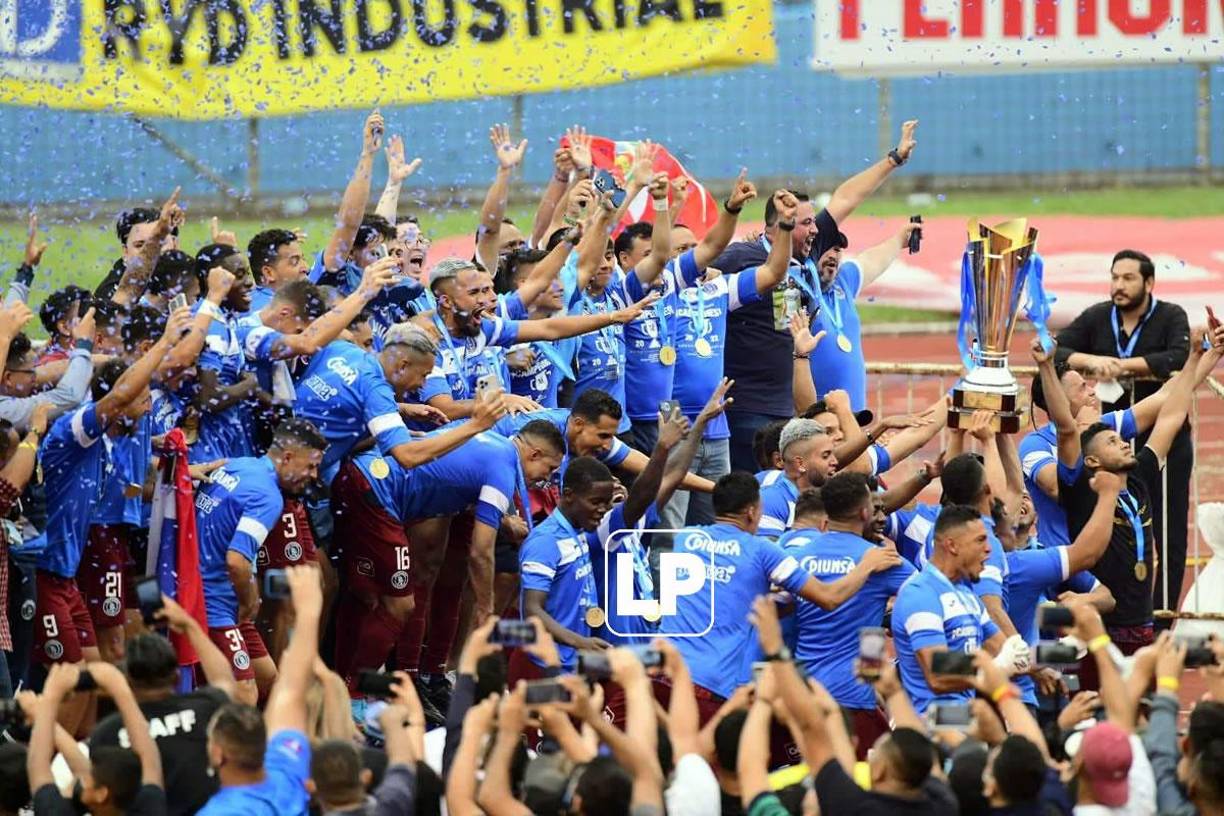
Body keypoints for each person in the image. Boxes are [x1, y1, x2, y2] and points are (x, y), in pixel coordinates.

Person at [717, 121, 919, 472]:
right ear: (777, 224)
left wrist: (893, 160)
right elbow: (701, 271)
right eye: (806, 224)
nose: (815, 230)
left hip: (787, 410)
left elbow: (845, 199)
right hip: (746, 410)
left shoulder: (806, 263)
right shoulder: (743, 257)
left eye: (814, 223)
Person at [331, 419, 563, 704]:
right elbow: (481, 551)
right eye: (549, 470)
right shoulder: (503, 469)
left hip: (359, 476)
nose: (544, 480)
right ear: (534, 454)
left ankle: (342, 687)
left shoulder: (489, 440)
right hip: (378, 495)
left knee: (362, 595)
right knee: (400, 605)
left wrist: (502, 521)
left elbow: (454, 473)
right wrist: (486, 609)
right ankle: (355, 695)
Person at [659, 471, 901, 719]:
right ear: (752, 512)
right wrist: (866, 565)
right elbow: (829, 598)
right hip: (710, 685)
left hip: (662, 674)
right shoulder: (762, 551)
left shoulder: (684, 538)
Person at [1059, 326, 1223, 661]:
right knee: (1097, 707)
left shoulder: (1138, 478)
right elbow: (1064, 431)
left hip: (1141, 626)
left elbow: (1172, 415)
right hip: (1098, 630)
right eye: (1112, 442)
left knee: (1138, 709)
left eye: (1121, 440)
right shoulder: (1082, 491)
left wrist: (1200, 356)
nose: (1123, 442)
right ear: (1090, 460)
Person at [1054, 250, 1192, 626]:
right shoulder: (1098, 316)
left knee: (1168, 530)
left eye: (1129, 278)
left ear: (1148, 283)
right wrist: (1091, 362)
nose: (1119, 285)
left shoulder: (1170, 316)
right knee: (1118, 528)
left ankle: (1161, 619)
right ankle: (1121, 610)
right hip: (1109, 439)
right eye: (1115, 277)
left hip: (1161, 439)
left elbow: (1176, 358)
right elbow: (1059, 350)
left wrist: (1122, 366)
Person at [787, 471, 915, 754]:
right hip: (853, 696)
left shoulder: (797, 557)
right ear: (864, 511)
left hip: (804, 695)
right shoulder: (883, 561)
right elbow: (927, 599)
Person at [89, 596, 237, 816]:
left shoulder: (107, 734)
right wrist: (189, 625)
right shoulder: (207, 709)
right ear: (177, 677)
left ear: (126, 681)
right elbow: (225, 680)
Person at [197, 564, 322, 816]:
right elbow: (292, 687)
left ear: (218, 754)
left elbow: (290, 688)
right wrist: (309, 612)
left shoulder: (218, 813)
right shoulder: (287, 767)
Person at [892, 504, 1026, 714]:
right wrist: (998, 667)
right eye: (980, 540)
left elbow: (1010, 652)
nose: (989, 548)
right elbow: (939, 676)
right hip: (932, 726)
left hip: (962, 718)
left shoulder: (967, 595)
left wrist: (1070, 648)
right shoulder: (920, 594)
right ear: (952, 546)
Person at [29, 661, 166, 816]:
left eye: (89, 776)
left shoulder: (58, 812)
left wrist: (51, 697)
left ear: (101, 794)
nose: (80, 777)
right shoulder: (149, 808)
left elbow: (38, 768)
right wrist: (117, 687)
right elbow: (150, 758)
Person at [759, 418, 837, 536]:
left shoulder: (835, 497)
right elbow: (766, 553)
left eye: (833, 454)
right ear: (800, 464)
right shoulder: (770, 501)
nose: (835, 462)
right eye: (825, 456)